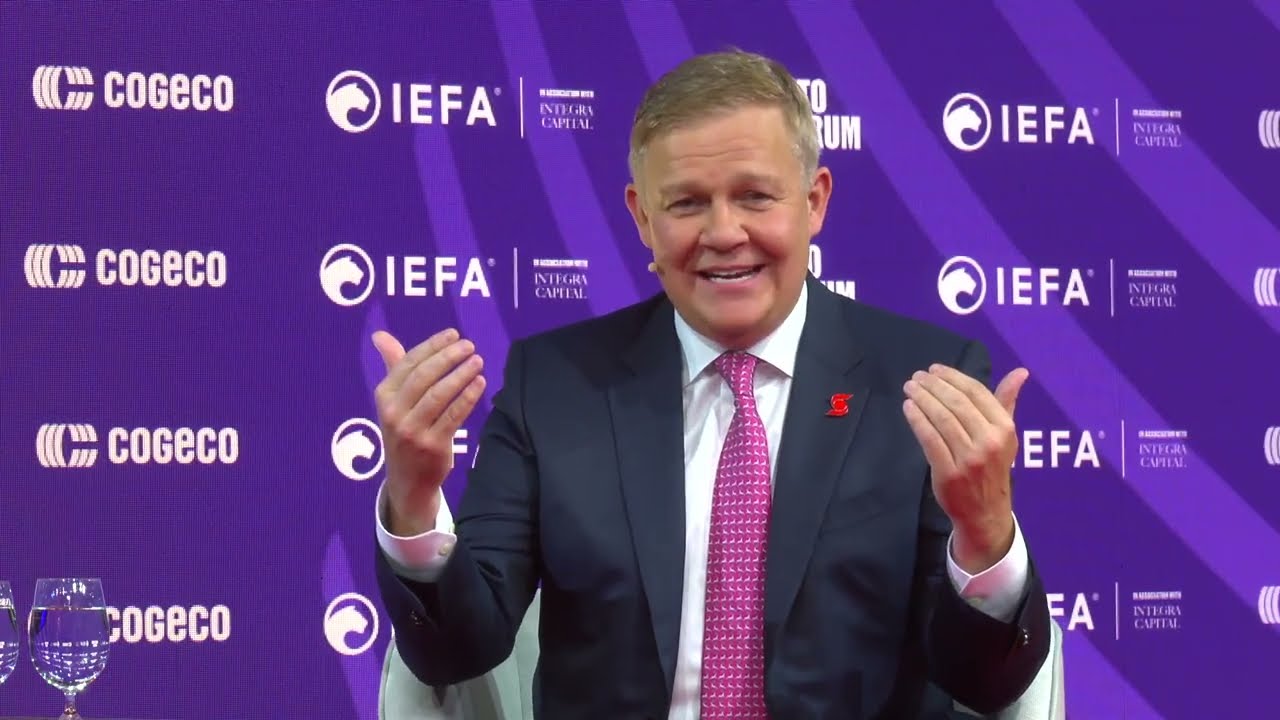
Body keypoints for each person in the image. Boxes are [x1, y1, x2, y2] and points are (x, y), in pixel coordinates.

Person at [371, 49, 1051, 719]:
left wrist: (985, 535)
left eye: (754, 196)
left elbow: (983, 685)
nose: (724, 233)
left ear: (814, 201)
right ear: (643, 218)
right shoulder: (554, 385)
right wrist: (414, 500)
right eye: (688, 203)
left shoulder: (922, 382)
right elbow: (457, 653)